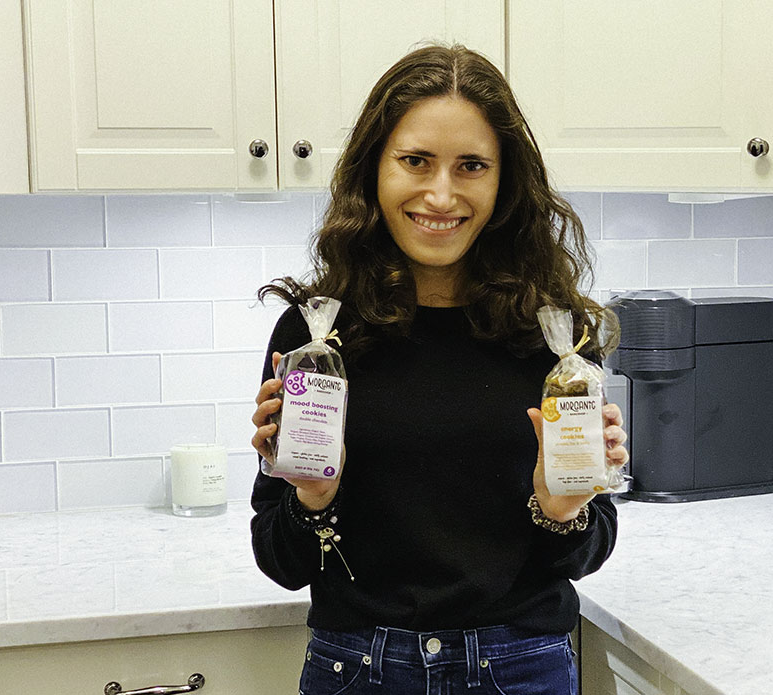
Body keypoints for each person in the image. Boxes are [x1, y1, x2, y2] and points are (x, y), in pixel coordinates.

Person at [248, 43, 629, 695]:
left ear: (504, 179)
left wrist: (559, 508)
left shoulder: (556, 340)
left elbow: (585, 552)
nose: (441, 193)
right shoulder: (318, 336)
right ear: (375, 168)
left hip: (520, 667)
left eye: (472, 165)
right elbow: (281, 560)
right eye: (416, 161)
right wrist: (313, 495)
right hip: (358, 667)